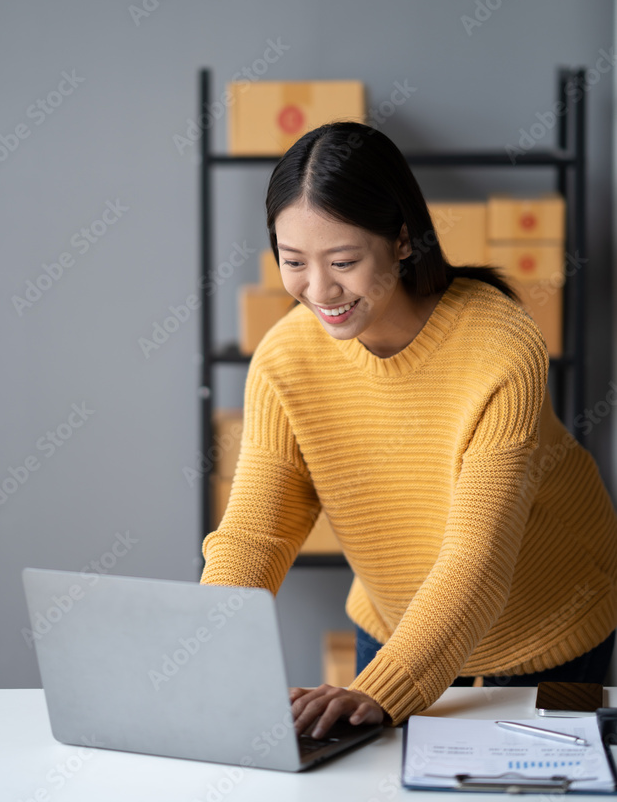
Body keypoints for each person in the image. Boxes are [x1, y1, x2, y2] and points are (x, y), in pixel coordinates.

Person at [199, 121, 617, 741]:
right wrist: (201, 645)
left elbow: (476, 564)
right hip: (398, 628)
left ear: (400, 241)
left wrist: (383, 687)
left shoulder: (500, 347)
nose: (319, 291)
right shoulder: (286, 359)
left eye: (343, 261)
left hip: (551, 626)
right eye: (293, 262)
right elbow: (257, 532)